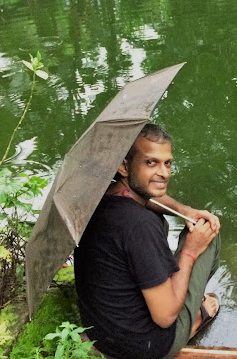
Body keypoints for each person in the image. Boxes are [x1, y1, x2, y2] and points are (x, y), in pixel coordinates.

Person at [74, 123, 221, 359]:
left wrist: (184, 210)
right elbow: (165, 317)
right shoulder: (139, 225)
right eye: (151, 163)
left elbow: (145, 195)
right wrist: (190, 251)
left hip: (101, 333)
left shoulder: (96, 197)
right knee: (207, 231)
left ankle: (166, 288)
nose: (164, 173)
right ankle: (195, 316)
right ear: (124, 166)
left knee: (163, 217)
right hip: (146, 347)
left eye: (167, 163)